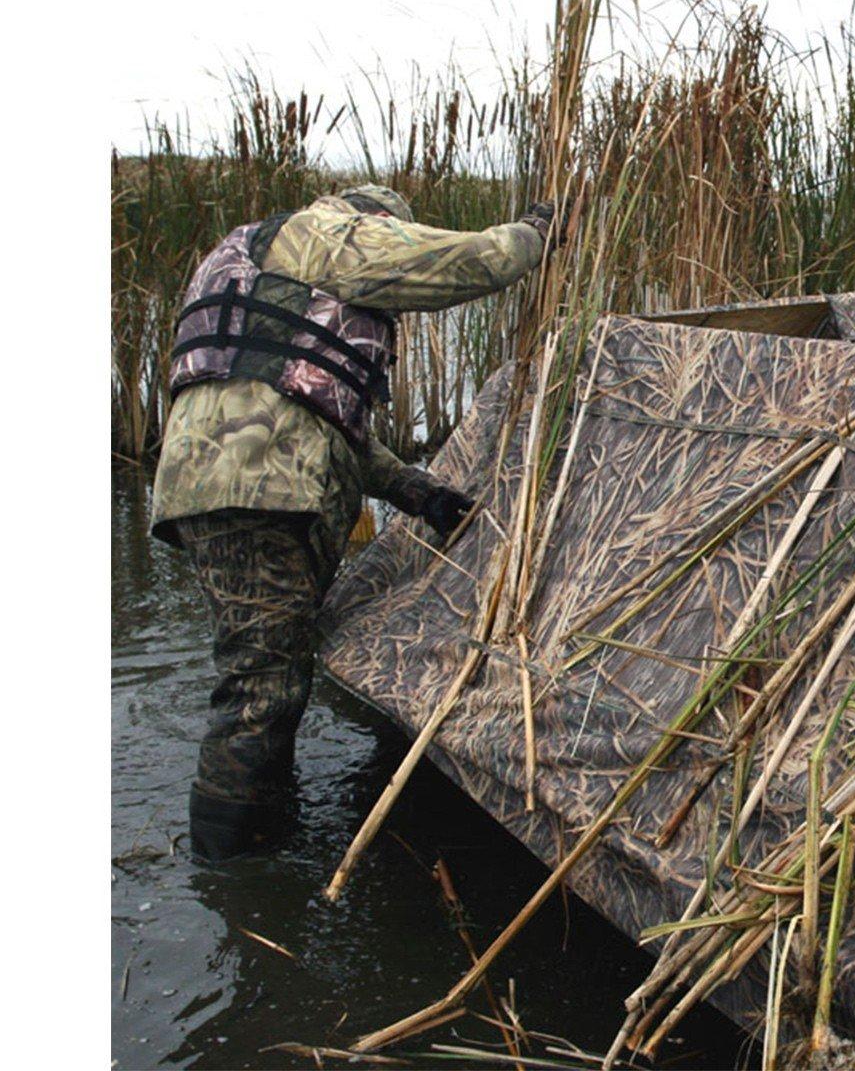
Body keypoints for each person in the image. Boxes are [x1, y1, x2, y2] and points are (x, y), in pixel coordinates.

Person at [150, 184, 560, 861]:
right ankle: (234, 868)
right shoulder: (331, 234)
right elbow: (468, 261)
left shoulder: (253, 254)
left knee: (267, 668)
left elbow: (313, 416)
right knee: (260, 687)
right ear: (376, 221)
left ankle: (267, 828)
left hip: (209, 485)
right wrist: (533, 234)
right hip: (264, 486)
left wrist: (421, 494)